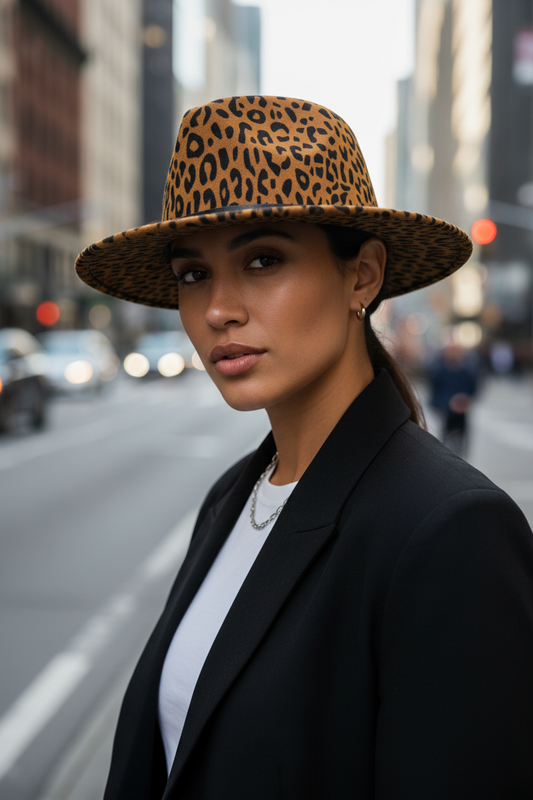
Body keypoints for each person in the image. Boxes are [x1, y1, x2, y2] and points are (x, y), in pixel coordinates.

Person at [76, 96, 533, 799]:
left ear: (363, 275)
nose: (218, 309)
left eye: (262, 259)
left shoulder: (451, 531)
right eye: (192, 273)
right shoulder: (233, 495)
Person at [429, 342, 479, 455]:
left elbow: (472, 389)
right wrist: (442, 405)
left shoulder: (466, 372)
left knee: (459, 439)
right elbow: (434, 392)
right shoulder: (439, 371)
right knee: (446, 437)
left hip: (460, 412)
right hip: (445, 410)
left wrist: (463, 401)